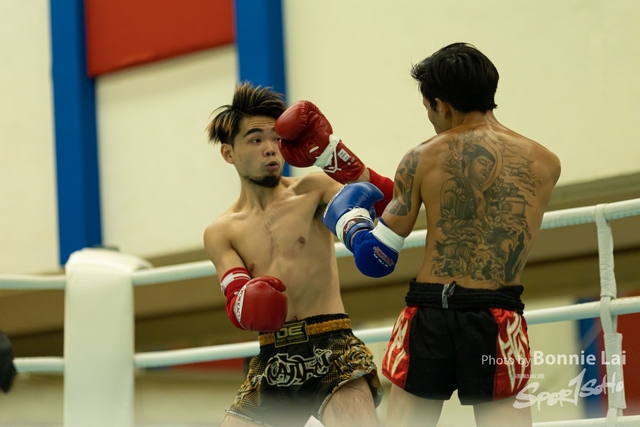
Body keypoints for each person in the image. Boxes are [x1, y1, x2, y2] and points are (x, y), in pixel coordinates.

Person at [322, 43, 561, 427]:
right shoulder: (545, 162)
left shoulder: (423, 156)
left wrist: (348, 222)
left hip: (431, 312)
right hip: (496, 313)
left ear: (442, 104)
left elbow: (375, 259)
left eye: (429, 110)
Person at [203, 82, 394, 427]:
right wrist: (248, 301)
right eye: (255, 140)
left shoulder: (314, 189)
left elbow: (388, 203)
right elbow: (237, 300)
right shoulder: (221, 231)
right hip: (272, 355)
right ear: (229, 153)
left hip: (333, 345)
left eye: (276, 139)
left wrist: (336, 156)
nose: (270, 149)